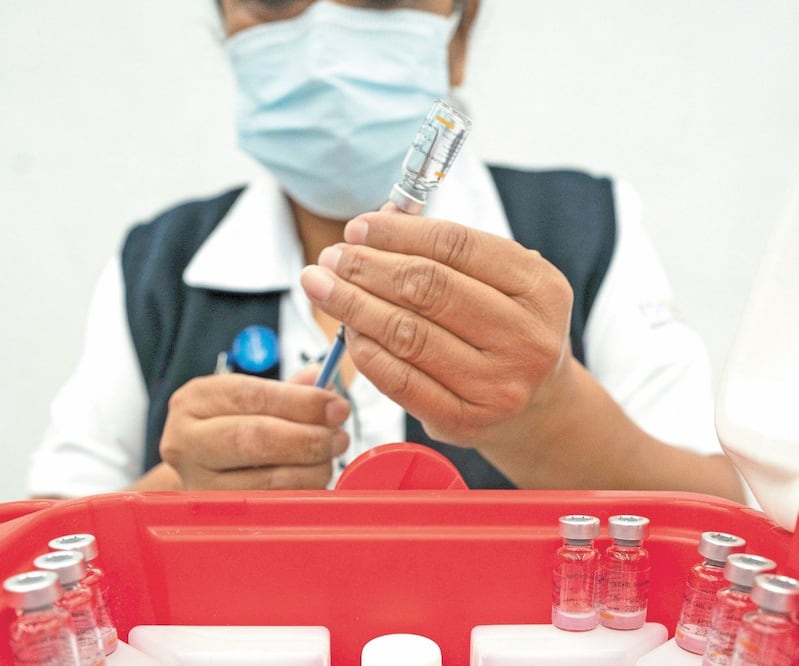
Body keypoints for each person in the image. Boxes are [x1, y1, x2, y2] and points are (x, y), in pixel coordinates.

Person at [27, 0, 744, 502]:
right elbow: (41, 555)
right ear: (224, 26)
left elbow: (731, 518)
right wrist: (177, 491)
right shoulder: (155, 266)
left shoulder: (586, 229)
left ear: (458, 34)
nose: (323, 44)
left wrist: (548, 416)